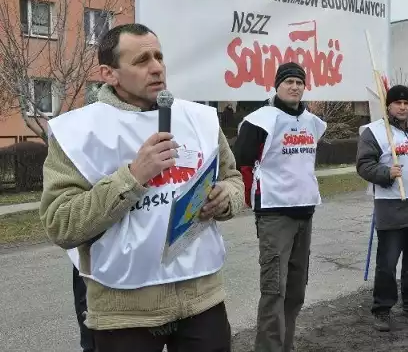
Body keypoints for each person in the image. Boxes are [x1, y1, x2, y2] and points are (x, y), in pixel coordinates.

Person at [40, 23, 244, 351]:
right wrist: (133, 176)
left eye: (159, 56)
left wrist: (226, 198)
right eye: (141, 60)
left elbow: (233, 179)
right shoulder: (78, 132)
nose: (157, 67)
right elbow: (61, 224)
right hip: (124, 308)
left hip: (201, 296)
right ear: (109, 73)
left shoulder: (200, 119)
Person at [233, 62, 327, 352]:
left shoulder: (313, 121)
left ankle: (285, 345)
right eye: (289, 82)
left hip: (305, 212)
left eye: (300, 82)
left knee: (296, 292)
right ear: (277, 86)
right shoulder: (259, 121)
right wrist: (252, 198)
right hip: (275, 213)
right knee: (275, 290)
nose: (295, 87)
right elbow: (242, 163)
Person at [356, 85, 408, 332]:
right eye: (397, 103)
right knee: (388, 261)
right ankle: (382, 309)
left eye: (407, 103)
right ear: (389, 106)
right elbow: (363, 165)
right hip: (392, 204)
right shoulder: (375, 132)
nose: (403, 107)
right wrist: (385, 173)